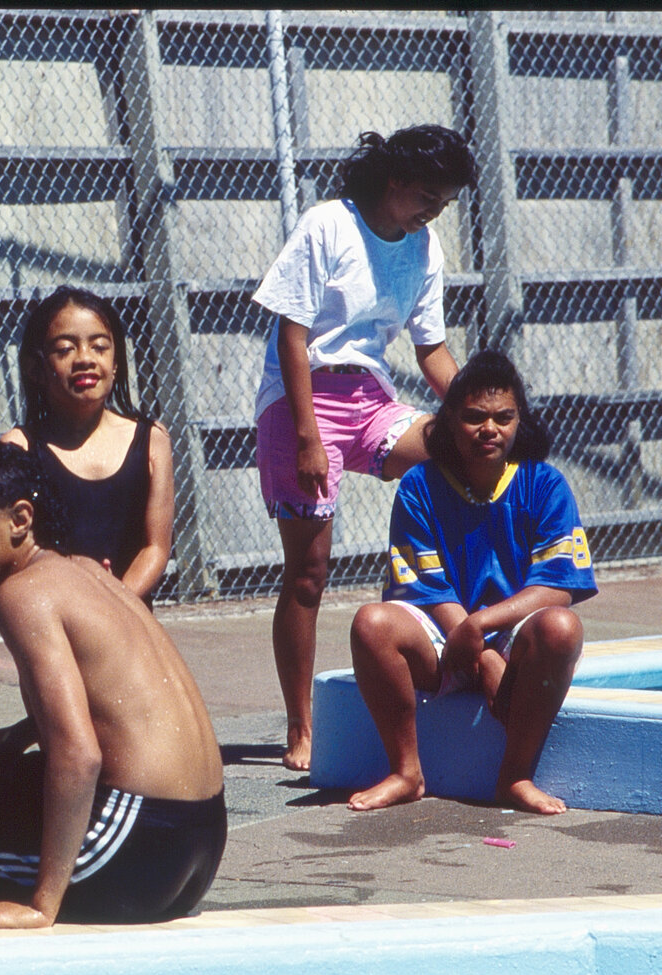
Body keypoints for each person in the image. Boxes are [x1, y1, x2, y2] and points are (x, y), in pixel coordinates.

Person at [0, 441, 226, 928]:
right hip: (199, 843)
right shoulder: (86, 571)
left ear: (20, 519)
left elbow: (79, 753)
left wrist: (40, 906)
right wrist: (12, 741)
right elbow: (106, 706)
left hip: (129, 854)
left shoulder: (21, 595)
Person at [252, 124, 476, 771]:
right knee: (308, 572)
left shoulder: (423, 246)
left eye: (444, 203)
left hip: (370, 400)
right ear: (395, 179)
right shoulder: (328, 225)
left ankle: (409, 638)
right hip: (300, 401)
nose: (434, 213)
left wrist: (479, 409)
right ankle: (301, 726)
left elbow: (431, 350)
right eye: (428, 197)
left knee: (460, 456)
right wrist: (307, 438)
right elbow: (291, 336)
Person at [346, 351, 596, 815]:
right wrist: (477, 653)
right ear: (449, 421)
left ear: (520, 420)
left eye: (504, 417)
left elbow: (558, 584)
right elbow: (424, 585)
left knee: (562, 628)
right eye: (474, 417)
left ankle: (515, 776)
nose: (490, 429)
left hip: (508, 632)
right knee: (371, 624)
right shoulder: (419, 485)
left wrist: (481, 628)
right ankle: (406, 772)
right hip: (444, 635)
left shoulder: (545, 483)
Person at [2, 286, 175, 604]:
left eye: (99, 347)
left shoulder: (152, 440)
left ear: (116, 362)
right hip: (54, 614)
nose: (84, 359)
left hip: (128, 614)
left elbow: (156, 548)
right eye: (65, 349)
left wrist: (113, 600)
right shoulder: (19, 449)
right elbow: (12, 553)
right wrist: (78, 605)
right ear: (36, 368)